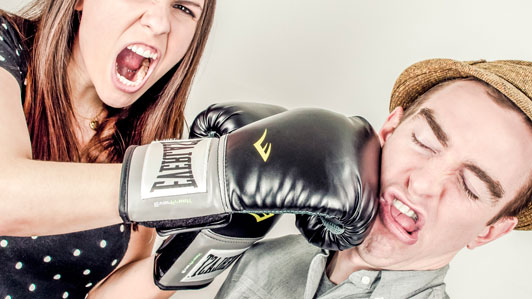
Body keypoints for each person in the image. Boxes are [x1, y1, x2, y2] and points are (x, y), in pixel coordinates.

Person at [214, 59, 532, 299]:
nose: (422, 184)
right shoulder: (261, 257)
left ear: (489, 231)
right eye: (424, 142)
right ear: (389, 130)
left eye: (469, 187)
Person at [0, 0, 217, 297]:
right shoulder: (5, 43)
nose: (161, 22)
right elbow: (5, 195)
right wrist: (196, 181)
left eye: (183, 7)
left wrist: (221, 238)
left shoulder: (151, 131)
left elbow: (105, 292)